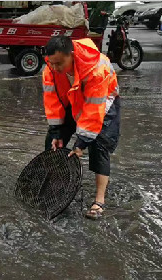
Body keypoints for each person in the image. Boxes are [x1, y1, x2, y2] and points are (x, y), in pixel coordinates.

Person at [42, 36, 120, 220]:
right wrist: (56, 132)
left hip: (103, 102)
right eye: (52, 63)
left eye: (59, 63)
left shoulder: (96, 69)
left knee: (99, 145)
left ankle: (99, 200)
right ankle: (54, 185)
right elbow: (52, 102)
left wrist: (81, 144)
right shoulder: (50, 69)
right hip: (72, 99)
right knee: (52, 144)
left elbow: (93, 111)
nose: (55, 68)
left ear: (72, 55)